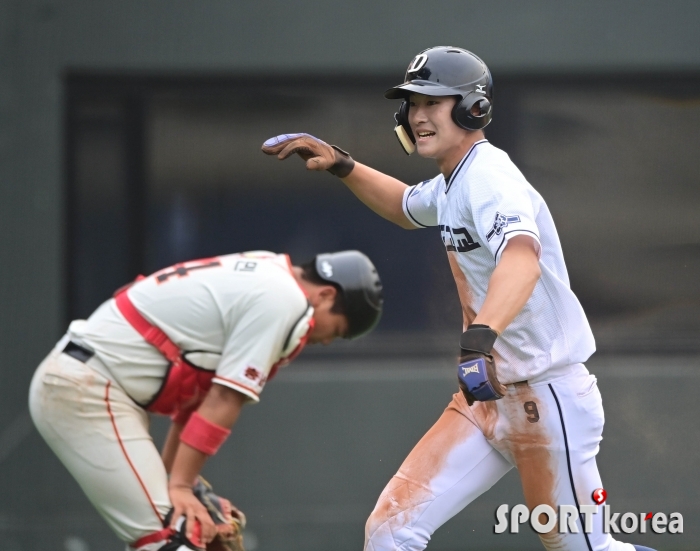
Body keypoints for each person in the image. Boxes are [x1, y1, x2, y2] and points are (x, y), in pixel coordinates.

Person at [261, 47, 655, 551]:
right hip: (488, 398)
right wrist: (343, 165)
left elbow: (522, 259)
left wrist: (478, 340)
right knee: (389, 532)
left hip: (546, 395)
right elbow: (406, 206)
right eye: (412, 104)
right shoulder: (456, 181)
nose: (419, 115)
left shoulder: (488, 175)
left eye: (434, 101)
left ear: (474, 108)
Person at [29, 250, 383, 551]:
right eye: (336, 330)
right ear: (326, 295)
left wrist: (179, 481)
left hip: (90, 382)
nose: (325, 341)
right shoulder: (284, 300)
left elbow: (196, 396)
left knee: (185, 530)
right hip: (88, 390)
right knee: (173, 537)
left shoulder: (267, 269)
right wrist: (180, 487)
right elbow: (225, 397)